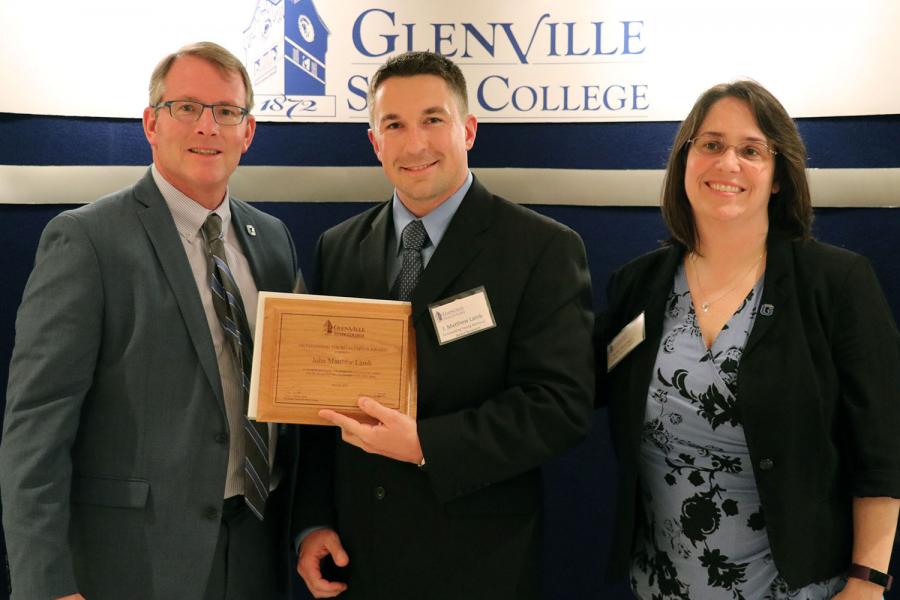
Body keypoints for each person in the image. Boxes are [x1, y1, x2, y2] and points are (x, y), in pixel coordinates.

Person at [0, 42, 302, 600]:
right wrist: (46, 584)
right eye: (186, 107)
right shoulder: (88, 240)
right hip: (133, 563)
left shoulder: (273, 242)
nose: (207, 126)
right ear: (151, 123)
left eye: (226, 111)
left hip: (257, 552)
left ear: (248, 132)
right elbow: (35, 426)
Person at [294, 51, 595, 600]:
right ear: (374, 141)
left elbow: (560, 406)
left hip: (478, 565)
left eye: (433, 120)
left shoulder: (540, 249)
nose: (414, 145)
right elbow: (320, 403)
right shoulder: (338, 248)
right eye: (394, 125)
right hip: (356, 563)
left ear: (469, 130)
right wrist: (311, 523)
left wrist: (426, 444)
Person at [598, 80, 900, 599]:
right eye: (711, 144)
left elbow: (885, 446)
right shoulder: (637, 285)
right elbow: (573, 386)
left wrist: (867, 583)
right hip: (663, 583)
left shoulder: (835, 283)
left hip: (798, 587)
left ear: (779, 175)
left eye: (751, 150)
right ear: (685, 160)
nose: (728, 163)